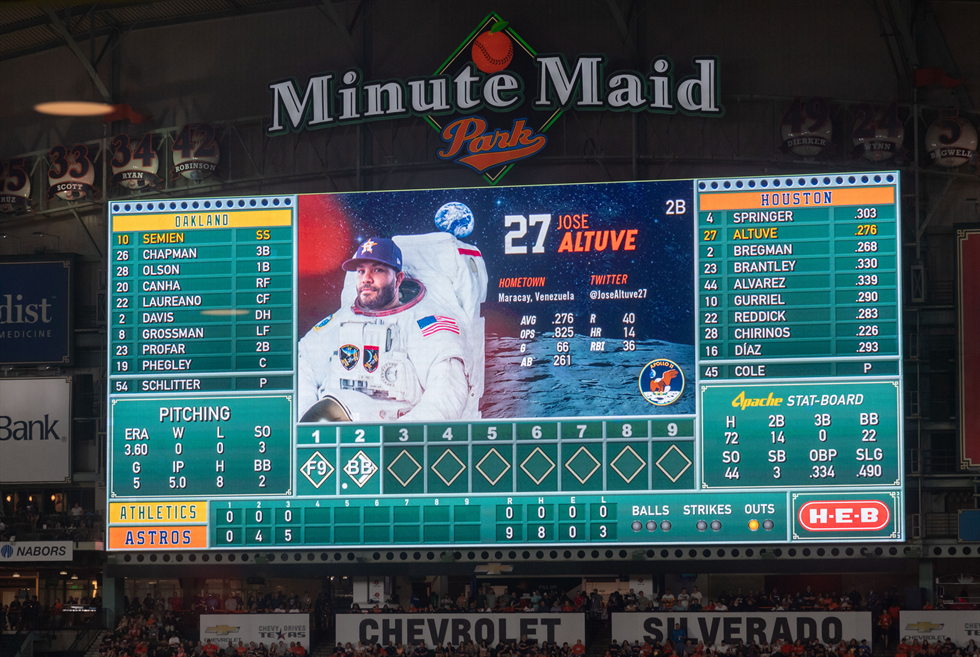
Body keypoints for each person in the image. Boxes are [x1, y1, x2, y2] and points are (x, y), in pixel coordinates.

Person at [298, 236, 486, 423]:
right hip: (333, 430)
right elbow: (303, 364)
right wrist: (305, 422)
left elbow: (447, 394)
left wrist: (397, 438)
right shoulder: (339, 320)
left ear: (398, 279)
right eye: (361, 271)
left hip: (392, 436)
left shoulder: (426, 323)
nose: (366, 279)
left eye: (377, 270)